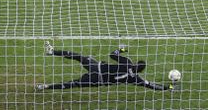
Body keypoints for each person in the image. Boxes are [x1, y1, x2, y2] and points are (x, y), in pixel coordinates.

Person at [36, 42, 174, 91]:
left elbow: (112, 54)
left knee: (78, 57)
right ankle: (45, 87)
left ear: (136, 63)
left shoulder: (127, 62)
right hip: (98, 80)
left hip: (97, 68)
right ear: (140, 70)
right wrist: (169, 87)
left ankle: (52, 52)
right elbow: (153, 86)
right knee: (73, 84)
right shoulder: (136, 79)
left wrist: (122, 49)